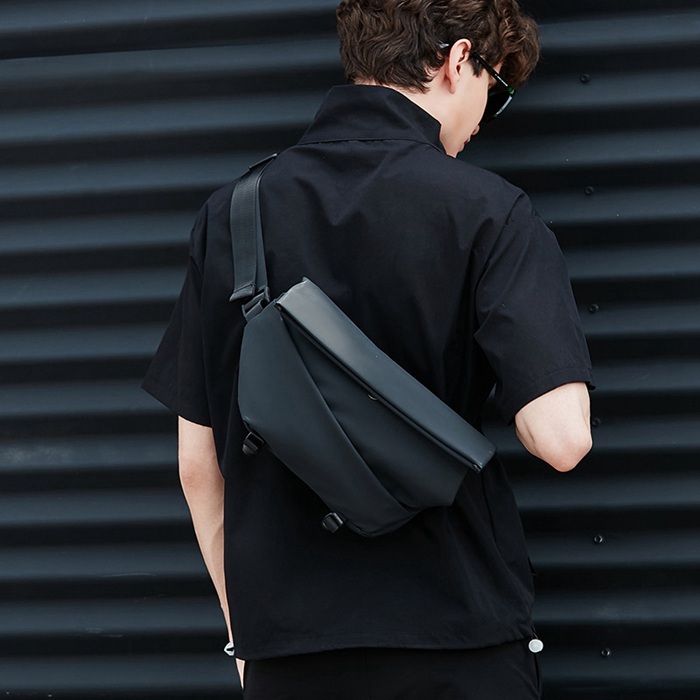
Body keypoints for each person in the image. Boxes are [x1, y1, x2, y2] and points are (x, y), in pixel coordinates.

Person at [143, 0, 593, 697]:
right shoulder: (490, 211)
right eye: (496, 92)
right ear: (458, 60)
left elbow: (198, 464)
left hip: (289, 655)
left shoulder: (233, 213)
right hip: (458, 644)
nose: (482, 121)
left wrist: (246, 636)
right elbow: (561, 439)